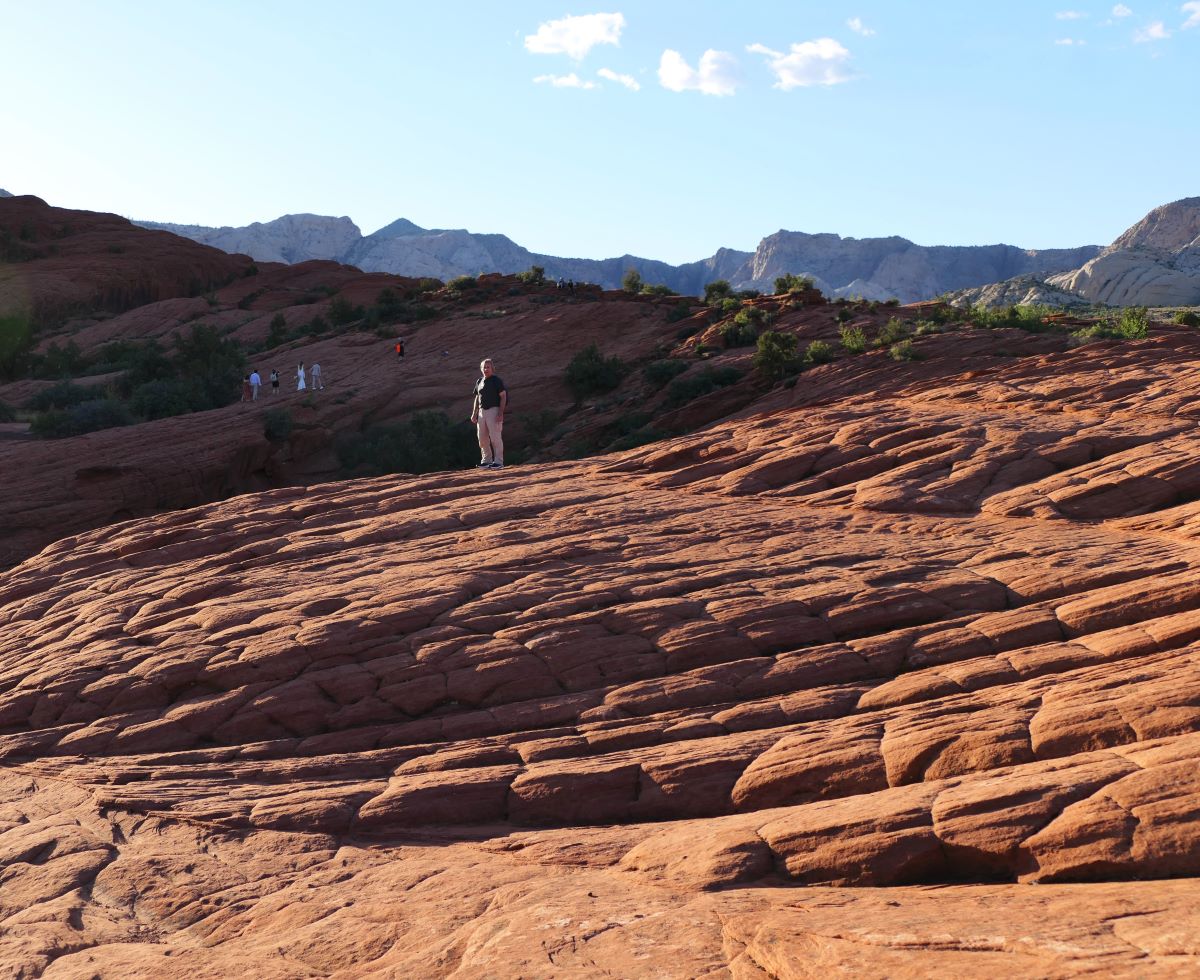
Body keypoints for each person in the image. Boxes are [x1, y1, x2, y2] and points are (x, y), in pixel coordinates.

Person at [470, 357, 507, 469]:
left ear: (492, 368)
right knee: (482, 438)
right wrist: (474, 413)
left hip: (493, 410)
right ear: (481, 369)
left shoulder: (496, 381)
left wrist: (500, 413)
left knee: (495, 437)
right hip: (481, 412)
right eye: (484, 367)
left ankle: (498, 462)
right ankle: (486, 460)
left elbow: (503, 396)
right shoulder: (479, 381)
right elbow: (477, 397)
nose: (486, 369)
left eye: (488, 367)